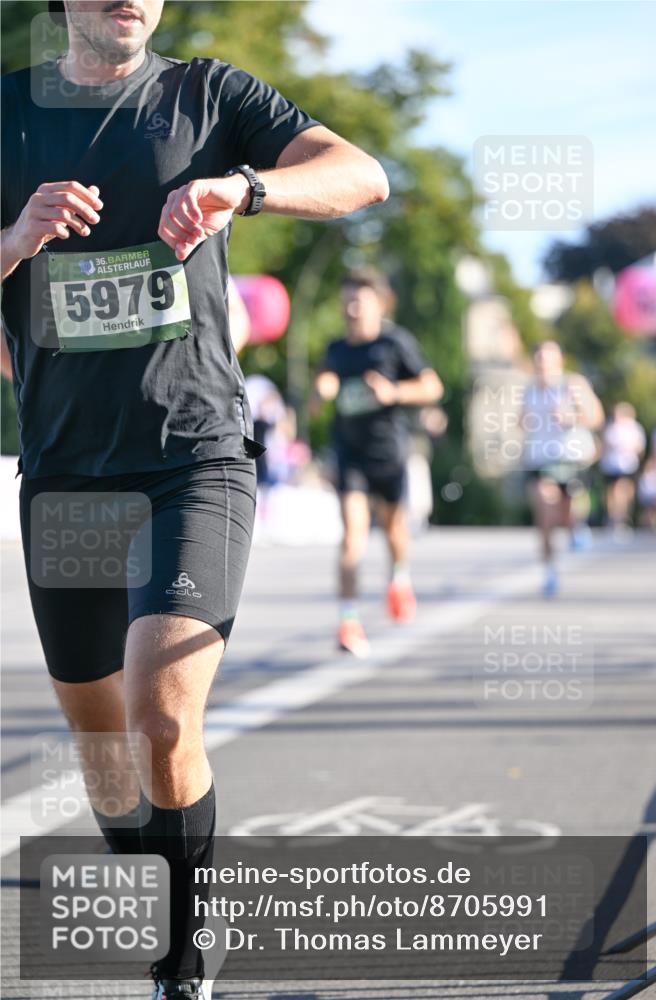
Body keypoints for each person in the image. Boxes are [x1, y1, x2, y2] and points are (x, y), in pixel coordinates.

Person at [0, 2, 389, 997]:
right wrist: (14, 238)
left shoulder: (210, 95)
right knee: (105, 757)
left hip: (193, 457)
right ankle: (169, 881)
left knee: (162, 717)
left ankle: (185, 956)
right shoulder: (7, 113)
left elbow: (359, 174)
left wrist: (245, 188)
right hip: (65, 474)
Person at [314, 268, 443, 657]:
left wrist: (393, 391)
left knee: (393, 530)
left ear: (379, 303)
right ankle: (349, 622)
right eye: (347, 299)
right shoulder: (336, 349)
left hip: (388, 454)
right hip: (349, 454)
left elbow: (433, 386)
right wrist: (323, 390)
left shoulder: (395, 343)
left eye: (360, 299)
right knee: (352, 535)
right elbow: (324, 381)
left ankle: (399, 579)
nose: (352, 306)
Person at [520, 341, 604, 596]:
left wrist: (572, 417)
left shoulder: (573, 385)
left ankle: (576, 527)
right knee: (545, 515)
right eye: (539, 361)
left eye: (548, 361)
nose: (543, 366)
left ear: (559, 362)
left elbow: (596, 417)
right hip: (540, 461)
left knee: (565, 517)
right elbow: (521, 420)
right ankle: (549, 571)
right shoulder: (530, 390)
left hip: (570, 459)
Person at [599, 402, 646, 533]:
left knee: (625, 491)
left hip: (628, 465)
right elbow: (604, 446)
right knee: (614, 492)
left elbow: (639, 448)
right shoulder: (611, 428)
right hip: (611, 466)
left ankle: (623, 516)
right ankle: (614, 517)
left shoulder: (634, 428)